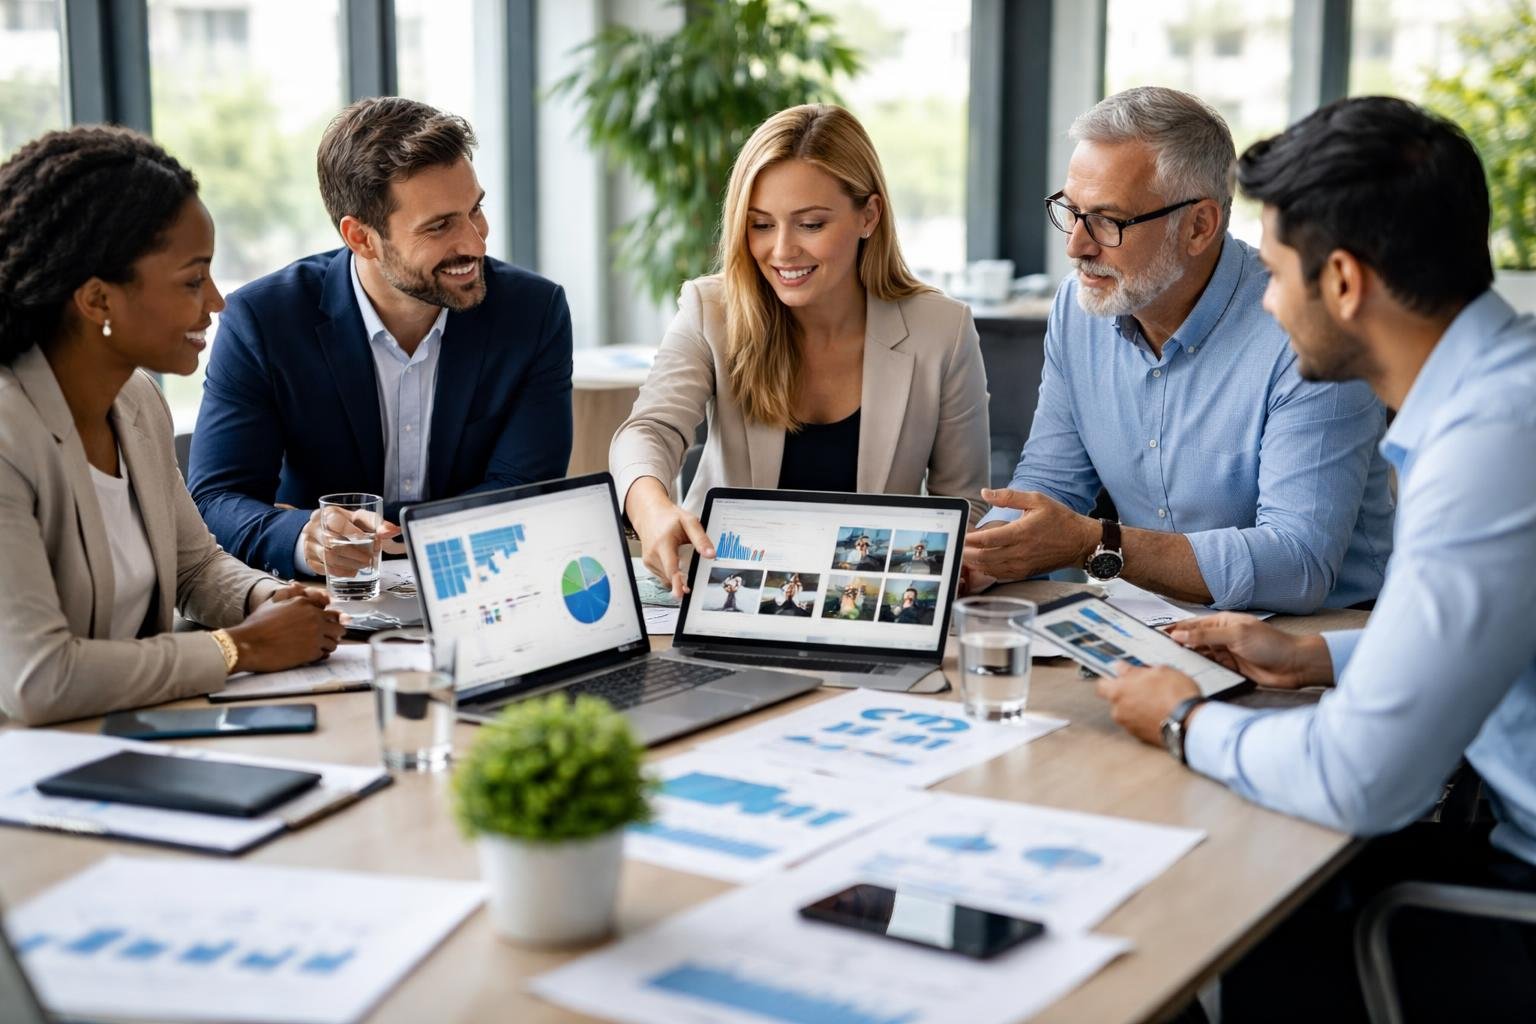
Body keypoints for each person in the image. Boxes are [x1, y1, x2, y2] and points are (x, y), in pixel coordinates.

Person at [1097, 97, 1536, 1022]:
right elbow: (1488, 637)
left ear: (1343, 282)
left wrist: (1185, 724)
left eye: (1275, 271)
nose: (1261, 297)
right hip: (1499, 839)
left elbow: (1361, 779)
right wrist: (1318, 657)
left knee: (1205, 921)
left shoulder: (1490, 447)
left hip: (1514, 900)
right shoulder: (1502, 396)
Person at [963, 87, 1394, 615]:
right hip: (1153, 622)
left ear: (1199, 226)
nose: (1076, 244)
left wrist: (1097, 544)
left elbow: (1298, 563)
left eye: (1108, 220)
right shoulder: (1079, 309)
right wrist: (981, 557)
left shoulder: (1306, 332)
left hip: (1320, 636)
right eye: (1071, 212)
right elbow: (1051, 484)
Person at [0, 127, 344, 726]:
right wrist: (243, 647)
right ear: (97, 300)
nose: (217, 302)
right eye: (192, 280)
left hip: (136, 733)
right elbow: (38, 677)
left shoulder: (135, 402)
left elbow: (194, 567)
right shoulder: (8, 434)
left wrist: (270, 600)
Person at [611, 104, 990, 596]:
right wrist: (651, 507)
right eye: (761, 225)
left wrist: (956, 562)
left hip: (868, 601)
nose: (782, 250)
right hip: (727, 592)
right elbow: (650, 430)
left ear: (868, 216)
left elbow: (964, 503)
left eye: (810, 224)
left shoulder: (943, 329)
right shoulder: (712, 309)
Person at [187, 97, 574, 579]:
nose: (476, 242)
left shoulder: (533, 312)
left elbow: (523, 491)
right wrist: (303, 537)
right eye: (440, 226)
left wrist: (396, 537)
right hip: (324, 601)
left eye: (474, 210)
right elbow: (216, 499)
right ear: (361, 238)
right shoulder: (264, 321)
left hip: (483, 585)